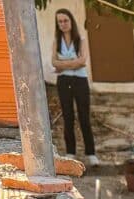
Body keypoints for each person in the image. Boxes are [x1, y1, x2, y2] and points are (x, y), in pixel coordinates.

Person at [51, 9, 98, 167]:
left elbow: (83, 61)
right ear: (57, 24)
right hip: (63, 81)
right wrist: (73, 62)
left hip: (80, 80)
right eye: (60, 21)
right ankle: (70, 152)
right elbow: (54, 62)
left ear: (71, 21)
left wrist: (63, 64)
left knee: (84, 117)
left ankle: (91, 154)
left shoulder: (81, 39)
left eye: (65, 20)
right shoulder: (56, 41)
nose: (63, 24)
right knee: (68, 116)